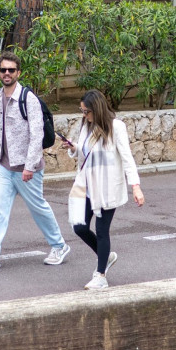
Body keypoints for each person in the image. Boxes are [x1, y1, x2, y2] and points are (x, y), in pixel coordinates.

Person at [0, 51, 70, 270]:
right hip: (5, 167)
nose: (7, 73)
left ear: (18, 73)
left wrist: (30, 165)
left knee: (38, 208)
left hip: (26, 169)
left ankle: (59, 245)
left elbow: (37, 134)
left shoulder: (28, 99)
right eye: (3, 69)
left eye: (11, 70)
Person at [61, 90, 145, 290]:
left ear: (96, 109)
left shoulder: (116, 127)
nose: (84, 115)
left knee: (101, 230)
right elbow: (84, 152)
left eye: (86, 111)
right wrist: (73, 148)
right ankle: (105, 256)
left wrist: (136, 187)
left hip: (108, 187)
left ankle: (101, 276)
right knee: (79, 227)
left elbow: (127, 158)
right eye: (81, 111)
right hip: (87, 185)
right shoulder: (86, 126)